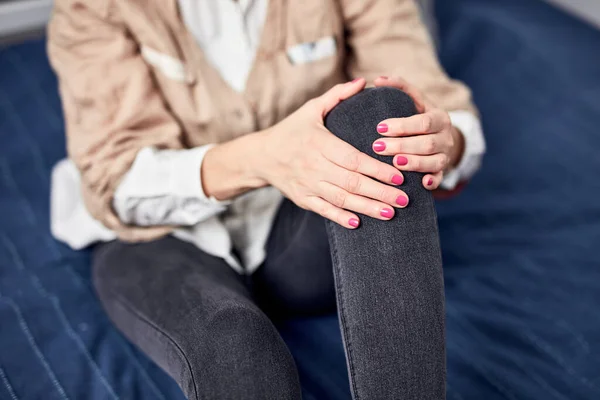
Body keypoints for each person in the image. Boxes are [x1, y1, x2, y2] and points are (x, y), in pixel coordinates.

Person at [47, 0, 486, 398]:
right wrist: (261, 159)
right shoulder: (94, 7)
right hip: (158, 234)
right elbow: (117, 181)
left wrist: (445, 142)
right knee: (235, 345)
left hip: (304, 222)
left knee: (384, 116)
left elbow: (441, 108)